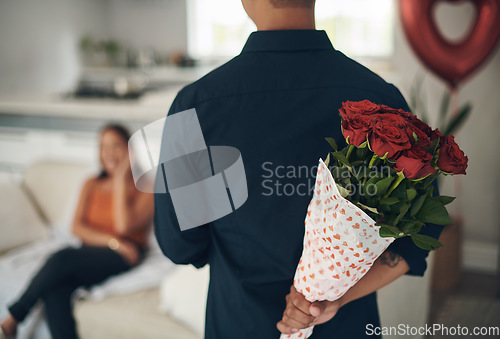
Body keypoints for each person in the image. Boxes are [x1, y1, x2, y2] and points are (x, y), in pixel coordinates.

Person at [154, 0, 443, 338]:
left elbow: (179, 244)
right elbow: (425, 227)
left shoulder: (196, 105)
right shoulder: (380, 97)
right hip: (345, 327)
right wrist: (334, 298)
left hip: (240, 322)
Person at [0, 124, 154, 339]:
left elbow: (123, 226)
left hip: (126, 254)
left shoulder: (146, 186)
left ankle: (14, 318)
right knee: (57, 290)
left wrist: (120, 178)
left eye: (115, 146)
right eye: (103, 147)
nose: (108, 153)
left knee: (62, 257)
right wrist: (113, 242)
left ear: (130, 151)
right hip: (105, 249)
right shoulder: (91, 183)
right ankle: (14, 321)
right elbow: (77, 228)